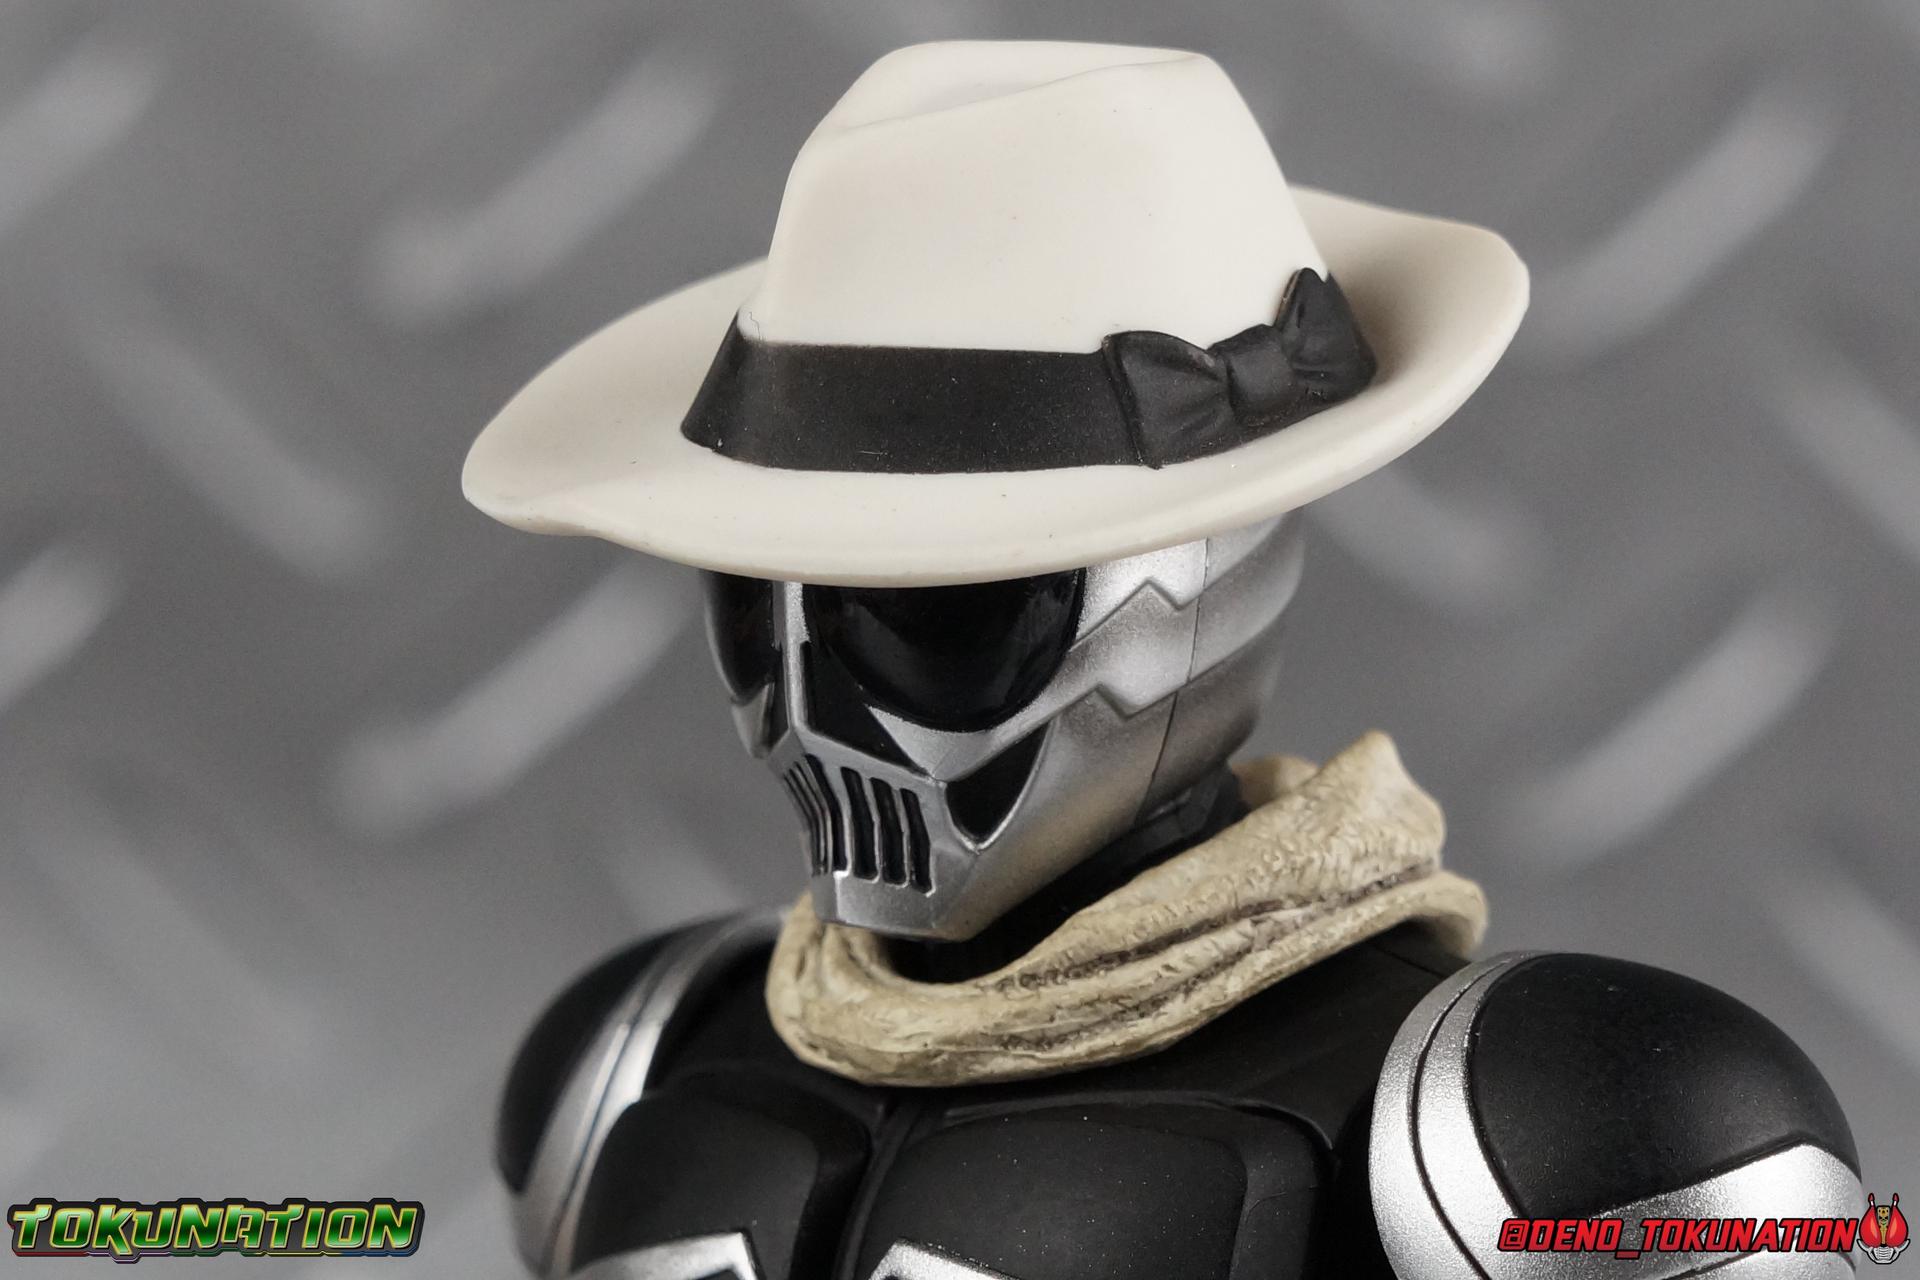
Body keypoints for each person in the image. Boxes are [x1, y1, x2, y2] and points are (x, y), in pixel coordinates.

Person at [463, 40, 1859, 1280]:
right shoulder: (632, 1065)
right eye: (756, 610)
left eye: (928, 616)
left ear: (1205, 576)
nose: (816, 715)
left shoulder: (1550, 1131)